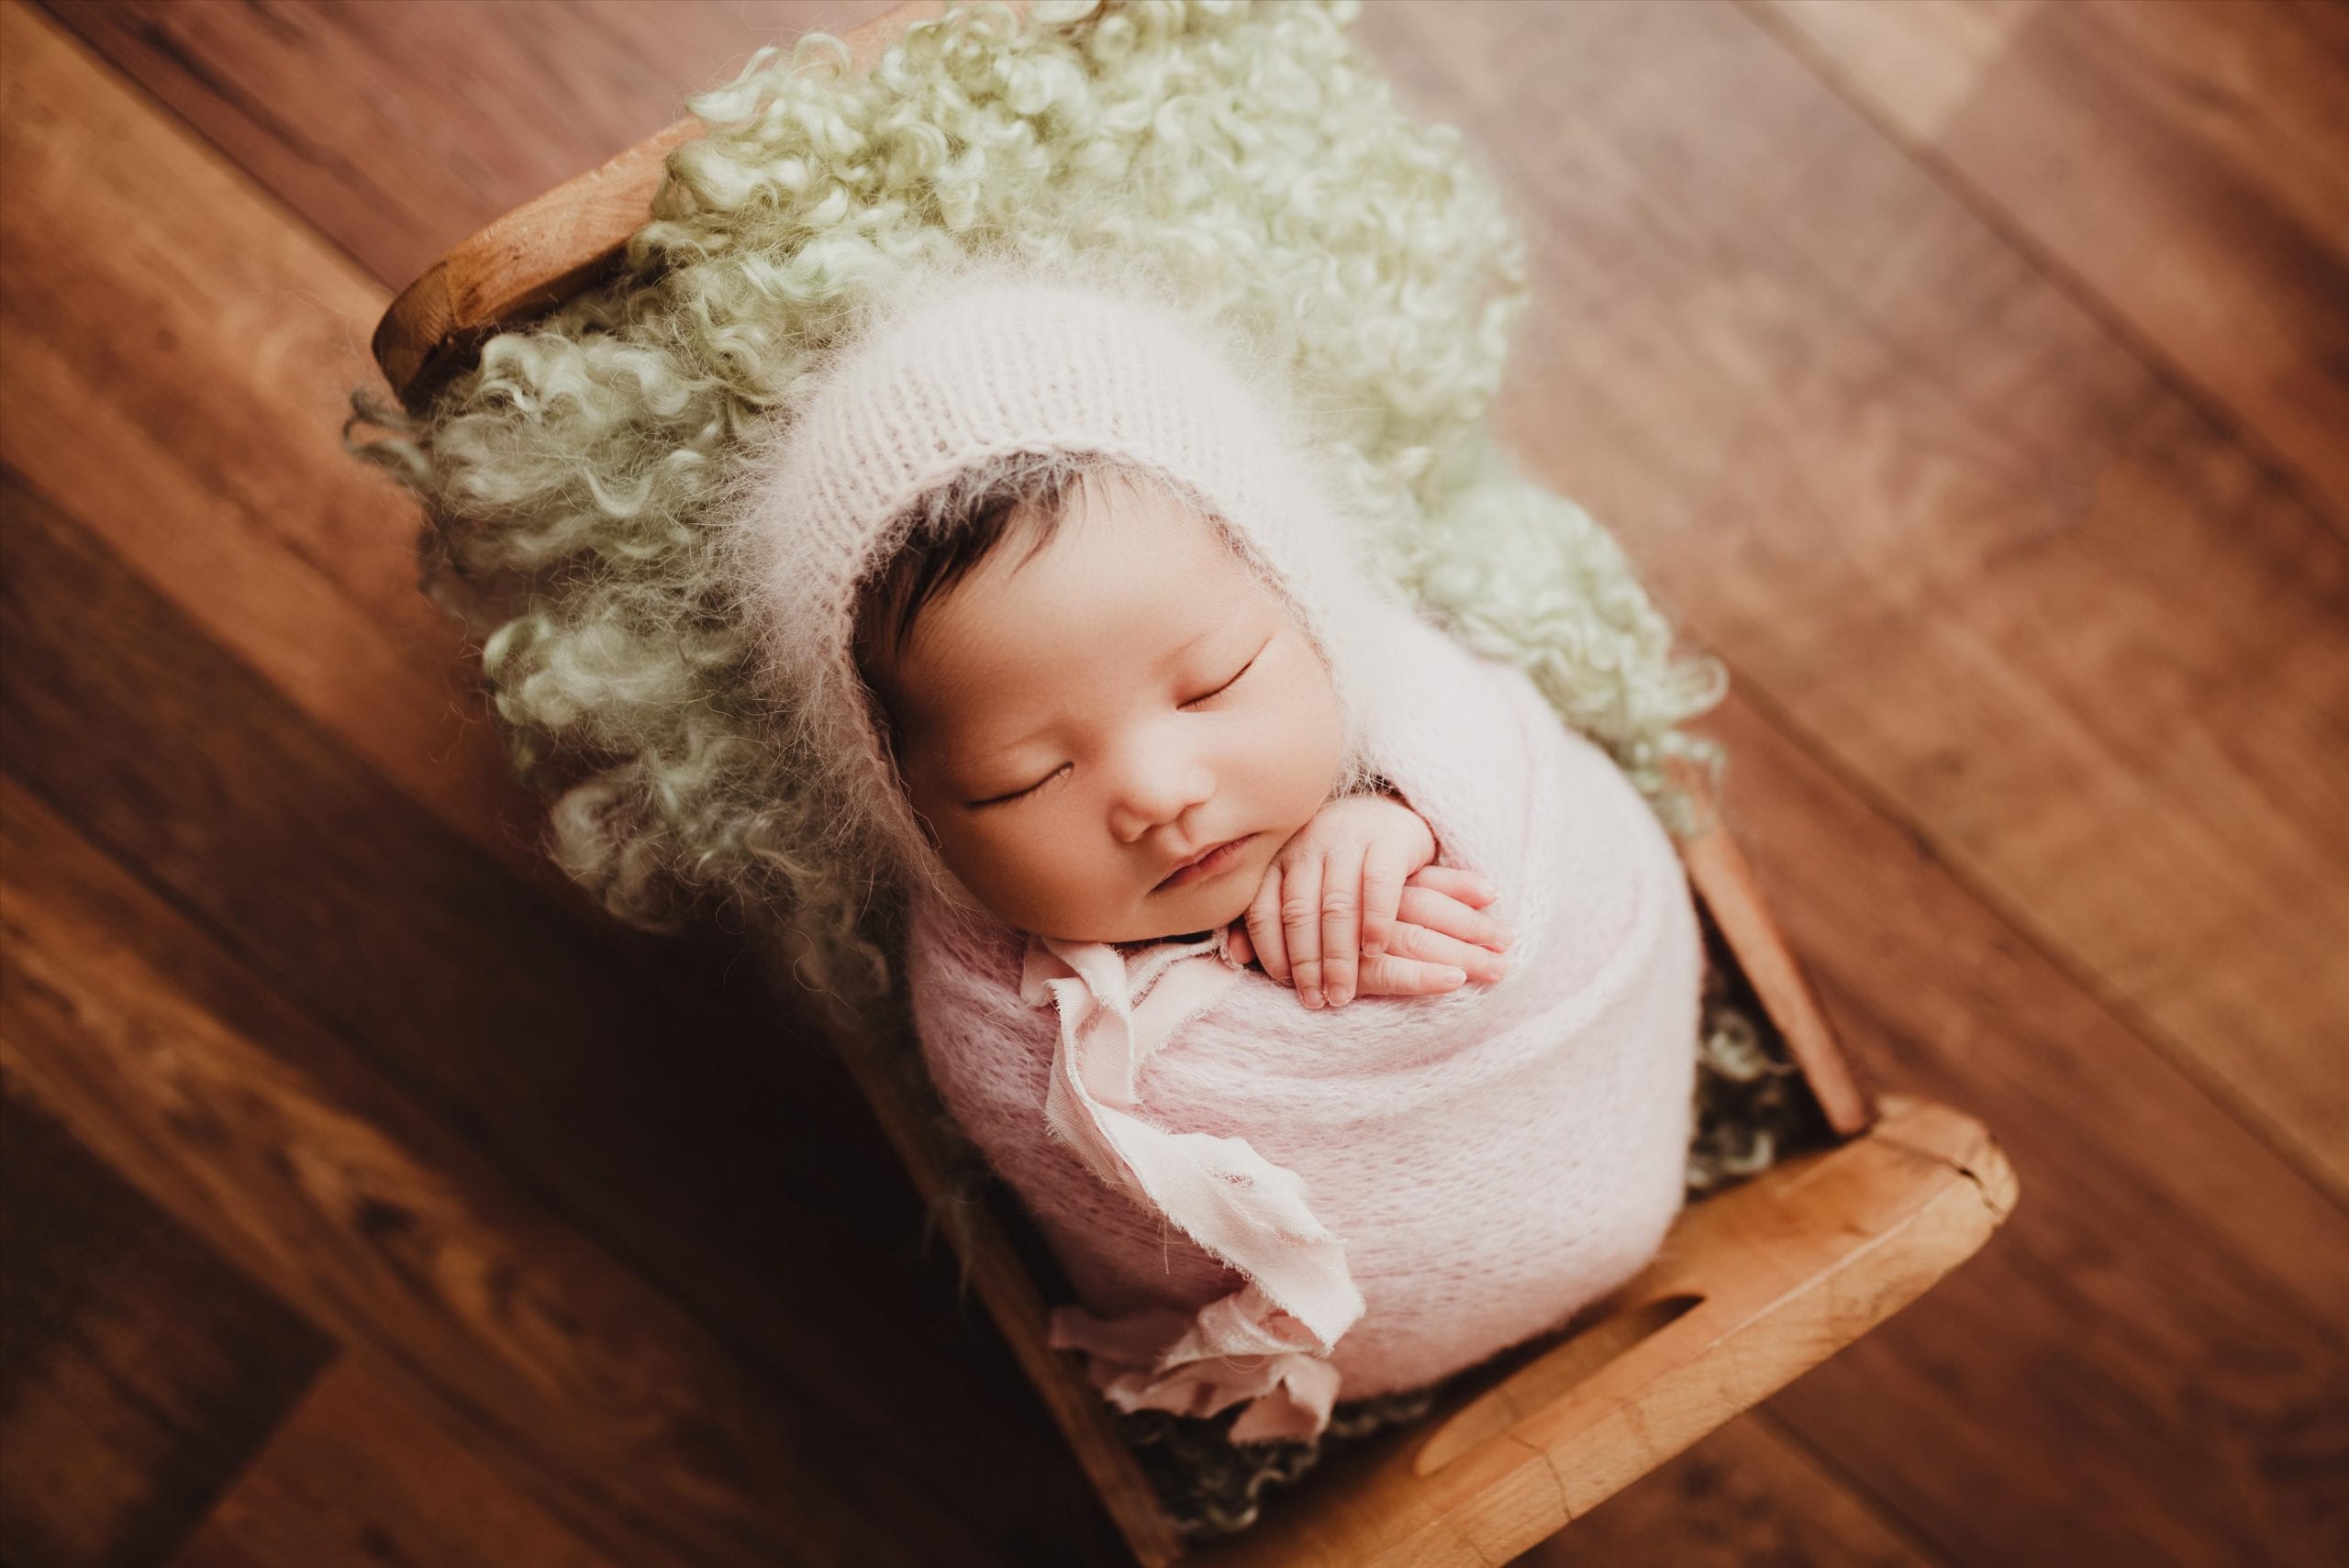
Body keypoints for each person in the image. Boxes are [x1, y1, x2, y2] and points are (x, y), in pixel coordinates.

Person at [729, 262, 1702, 1442]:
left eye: (1215, 681)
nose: (1156, 792)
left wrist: (1400, 812)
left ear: (1306, 609)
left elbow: (1552, 825)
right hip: (1352, 1352)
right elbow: (1093, 1175)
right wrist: (1231, 992)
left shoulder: (1407, 697)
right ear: (912, 816)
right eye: (1026, 777)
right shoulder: (989, 1005)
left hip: (1596, 1112)